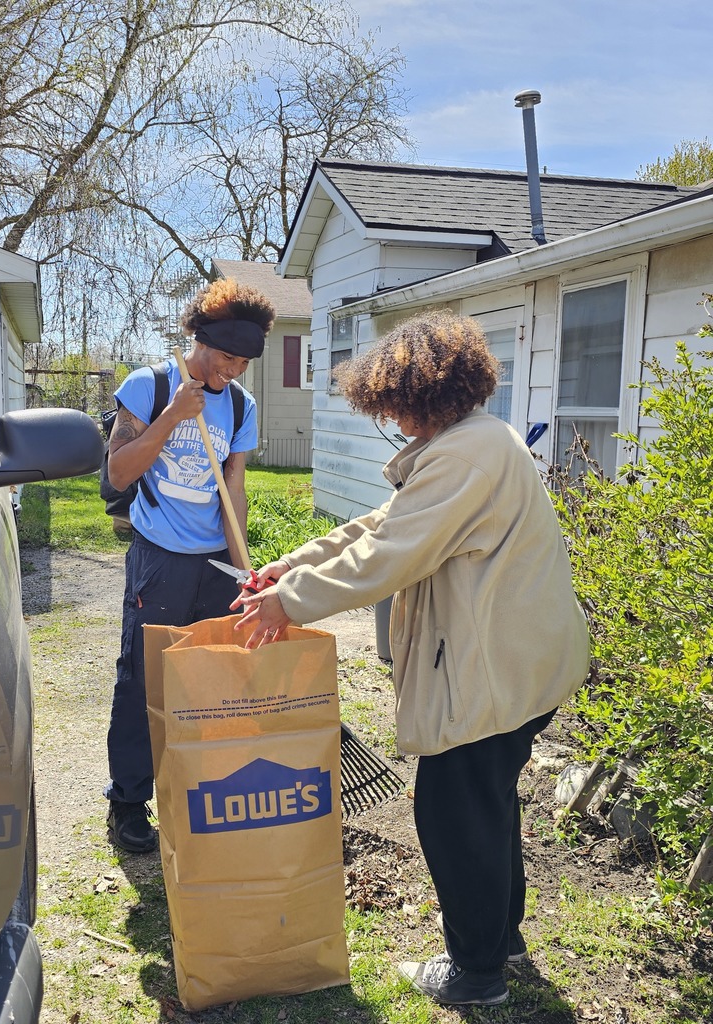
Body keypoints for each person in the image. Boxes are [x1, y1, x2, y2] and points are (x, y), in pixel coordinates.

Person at [234, 310, 590, 1007]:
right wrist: (294, 565)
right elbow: (386, 524)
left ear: (427, 392)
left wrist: (289, 602)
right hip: (522, 662)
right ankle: (501, 942)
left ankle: (476, 974)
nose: (391, 419)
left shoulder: (465, 456)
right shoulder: (474, 442)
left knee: (453, 814)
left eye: (395, 404)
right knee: (484, 804)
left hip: (497, 668)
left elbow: (390, 554)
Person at [104, 278, 275, 853]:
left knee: (210, 680)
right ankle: (129, 802)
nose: (234, 370)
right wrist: (173, 415)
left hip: (214, 564)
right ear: (200, 340)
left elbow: (234, 487)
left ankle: (200, 790)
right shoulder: (149, 386)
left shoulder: (242, 405)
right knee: (143, 677)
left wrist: (244, 567)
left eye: (244, 362)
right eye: (227, 357)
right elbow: (119, 472)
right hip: (159, 560)